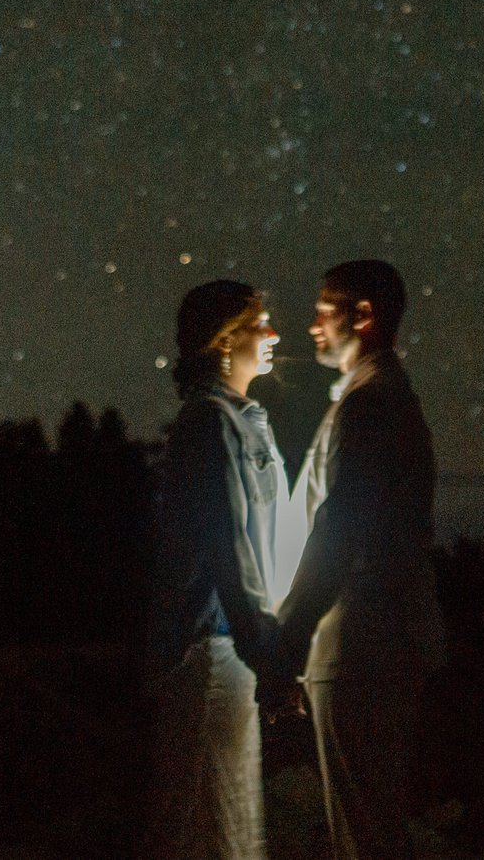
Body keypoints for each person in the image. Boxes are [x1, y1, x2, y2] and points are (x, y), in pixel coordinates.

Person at [275, 259, 444, 860]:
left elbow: (338, 530)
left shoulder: (371, 405)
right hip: (372, 642)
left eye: (325, 309)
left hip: (361, 645)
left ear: (364, 315)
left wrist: (287, 639)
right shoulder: (377, 400)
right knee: (366, 824)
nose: (313, 324)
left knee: (363, 832)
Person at [143, 278, 289, 860]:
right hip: (210, 650)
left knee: (228, 824)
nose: (274, 334)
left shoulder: (239, 418)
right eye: (261, 323)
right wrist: (269, 656)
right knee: (211, 828)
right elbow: (230, 548)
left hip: (230, 650)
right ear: (224, 340)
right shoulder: (209, 423)